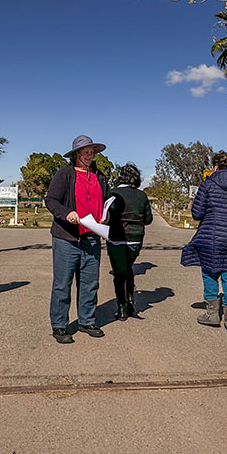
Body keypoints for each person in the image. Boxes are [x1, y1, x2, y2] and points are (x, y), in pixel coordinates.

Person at [45, 135, 110, 344]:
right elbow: (51, 200)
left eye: (92, 152)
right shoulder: (65, 174)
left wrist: (106, 215)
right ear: (76, 155)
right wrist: (67, 214)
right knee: (62, 284)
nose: (90, 156)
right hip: (67, 237)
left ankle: (87, 320)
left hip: (92, 237)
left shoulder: (99, 176)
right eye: (85, 152)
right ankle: (60, 325)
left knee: (90, 283)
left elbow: (106, 200)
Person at [181, 150, 227, 333]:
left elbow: (197, 213)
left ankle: (212, 314)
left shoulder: (208, 184)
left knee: (210, 273)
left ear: (215, 166)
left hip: (211, 237)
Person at [105, 163, 153, 320]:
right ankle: (131, 303)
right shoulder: (142, 196)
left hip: (116, 238)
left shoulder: (113, 194)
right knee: (128, 268)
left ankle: (122, 307)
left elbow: (106, 217)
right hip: (135, 239)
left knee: (119, 274)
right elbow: (148, 219)